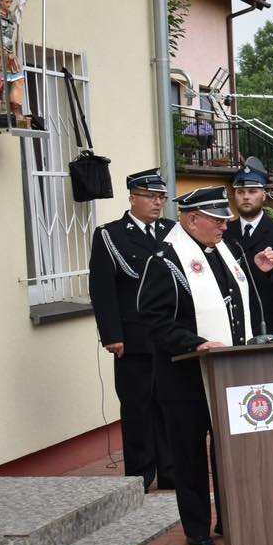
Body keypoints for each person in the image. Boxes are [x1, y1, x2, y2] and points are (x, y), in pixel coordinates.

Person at [136, 186, 273, 545]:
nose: (224, 227)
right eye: (217, 220)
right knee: (190, 455)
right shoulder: (166, 260)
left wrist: (257, 274)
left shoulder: (226, 252)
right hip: (185, 377)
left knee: (230, 450)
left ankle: (230, 519)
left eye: (225, 220)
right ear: (192, 219)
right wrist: (194, 343)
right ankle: (196, 527)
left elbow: (234, 306)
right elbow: (153, 319)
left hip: (228, 372)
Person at [88, 168, 176, 493]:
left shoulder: (172, 231)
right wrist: (112, 335)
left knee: (169, 404)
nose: (157, 203)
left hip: (168, 337)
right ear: (132, 198)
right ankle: (140, 474)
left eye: (161, 197)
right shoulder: (111, 235)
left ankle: (171, 471)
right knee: (137, 407)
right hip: (133, 339)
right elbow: (102, 289)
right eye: (150, 196)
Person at [224, 162, 273, 337]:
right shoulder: (223, 232)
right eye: (240, 192)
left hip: (269, 321)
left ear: (263, 195)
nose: (246, 197)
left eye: (252, 191)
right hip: (232, 321)